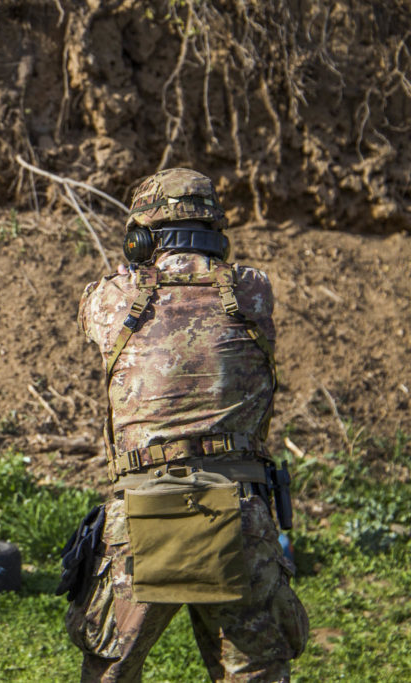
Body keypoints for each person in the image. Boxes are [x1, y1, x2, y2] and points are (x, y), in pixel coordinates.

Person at [67, 168, 308, 681]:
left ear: (139, 238)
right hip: (238, 510)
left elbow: (87, 312)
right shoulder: (252, 291)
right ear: (217, 231)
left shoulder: (113, 297)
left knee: (109, 672)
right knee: (257, 673)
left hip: (139, 516)